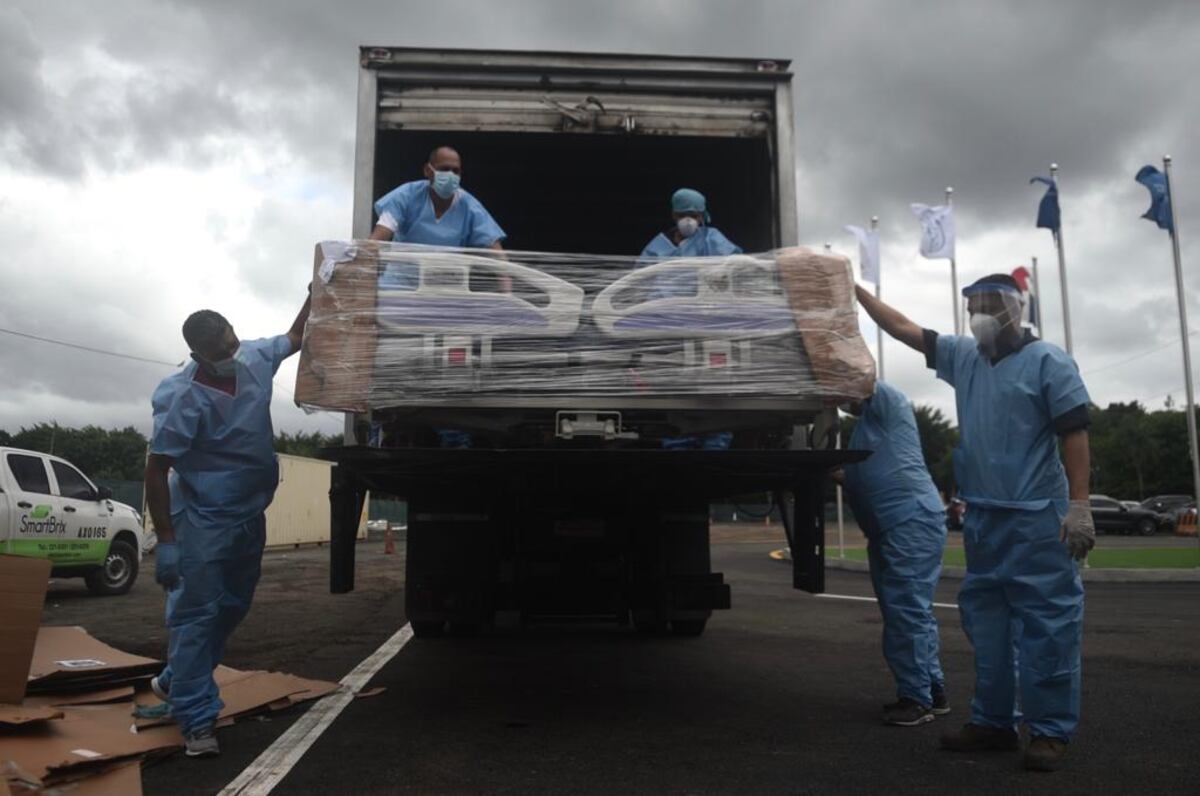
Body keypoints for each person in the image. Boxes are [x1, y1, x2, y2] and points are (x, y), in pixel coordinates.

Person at [855, 273, 1094, 772]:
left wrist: (1079, 505)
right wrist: (854, 291)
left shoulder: (1048, 362)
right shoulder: (965, 357)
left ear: (1015, 310)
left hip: (1036, 517)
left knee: (1049, 625)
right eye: (973, 308)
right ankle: (994, 723)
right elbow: (902, 327)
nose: (978, 316)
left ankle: (1050, 731)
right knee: (988, 626)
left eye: (988, 306)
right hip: (984, 517)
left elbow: (1074, 431)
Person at [143, 292, 311, 758]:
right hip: (200, 519)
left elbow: (295, 338)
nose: (232, 355)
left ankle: (176, 679)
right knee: (196, 615)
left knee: (233, 605)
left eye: (232, 342)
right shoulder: (182, 397)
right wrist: (168, 541)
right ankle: (197, 721)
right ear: (200, 355)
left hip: (246, 513)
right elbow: (156, 470)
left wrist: (313, 295)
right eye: (221, 353)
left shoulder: (254, 357)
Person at [834, 381, 949, 727]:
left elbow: (860, 375)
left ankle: (916, 699)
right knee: (912, 612)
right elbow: (860, 477)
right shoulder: (864, 431)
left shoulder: (888, 401)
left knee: (906, 612)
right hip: (892, 528)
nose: (840, 401)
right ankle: (932, 690)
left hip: (908, 522)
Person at [369, 145, 506, 290]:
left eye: (455, 171)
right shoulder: (407, 196)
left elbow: (497, 254)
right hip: (399, 287)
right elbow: (378, 238)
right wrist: (359, 269)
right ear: (428, 171)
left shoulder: (470, 207)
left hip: (445, 292)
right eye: (444, 169)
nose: (450, 175)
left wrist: (507, 297)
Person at [638, 188, 742, 298]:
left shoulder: (710, 238)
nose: (688, 221)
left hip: (700, 307)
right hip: (661, 307)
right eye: (682, 215)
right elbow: (640, 278)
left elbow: (736, 264)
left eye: (694, 215)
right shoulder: (658, 245)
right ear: (674, 215)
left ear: (701, 216)